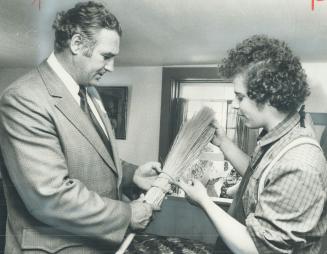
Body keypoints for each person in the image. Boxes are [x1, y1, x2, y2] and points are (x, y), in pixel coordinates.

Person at [0, 2, 161, 253]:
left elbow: (90, 156)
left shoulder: (89, 92)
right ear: (76, 44)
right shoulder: (24, 99)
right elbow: (50, 197)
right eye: (106, 56)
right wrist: (126, 214)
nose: (111, 67)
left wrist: (132, 174)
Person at [177, 35, 327, 253]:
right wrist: (223, 143)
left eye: (240, 97)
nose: (236, 106)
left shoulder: (300, 164)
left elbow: (257, 248)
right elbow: (258, 176)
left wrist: (204, 200)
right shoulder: (279, 136)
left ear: (267, 96)